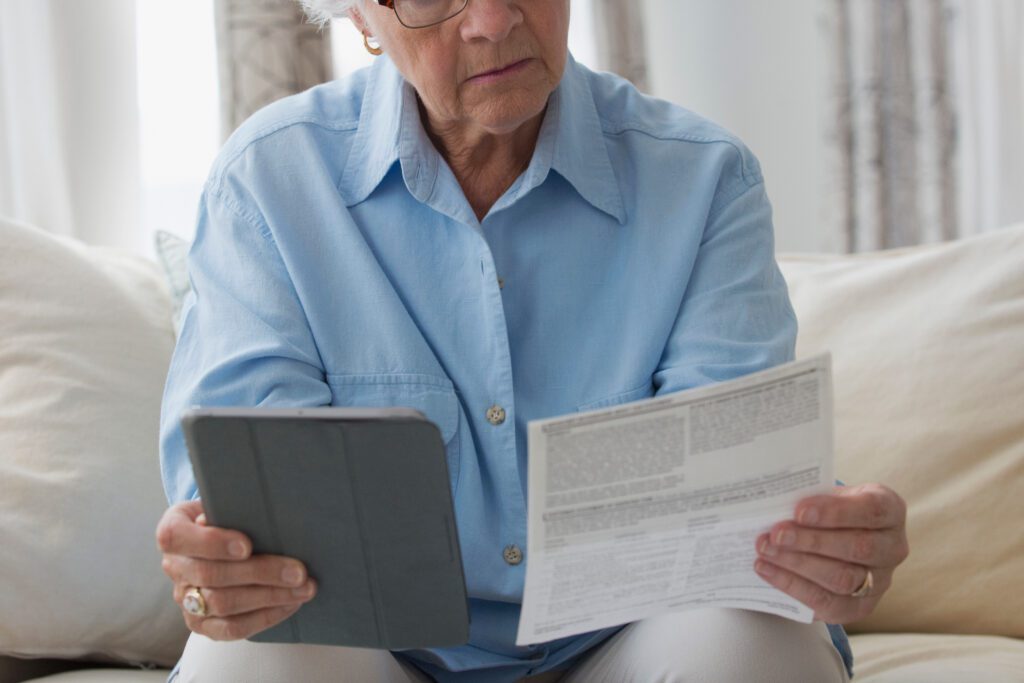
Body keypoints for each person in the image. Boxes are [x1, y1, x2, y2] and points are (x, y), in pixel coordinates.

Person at [156, 0, 910, 680]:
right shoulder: (270, 179)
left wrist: (820, 540)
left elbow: (727, 499)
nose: (490, 18)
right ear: (361, 17)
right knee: (248, 659)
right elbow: (246, 503)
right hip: (378, 652)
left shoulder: (704, 178)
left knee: (750, 646)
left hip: (629, 639)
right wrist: (219, 570)